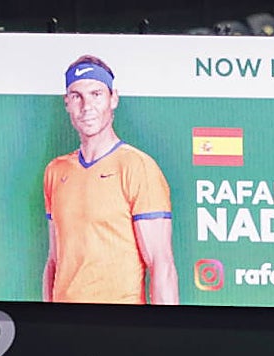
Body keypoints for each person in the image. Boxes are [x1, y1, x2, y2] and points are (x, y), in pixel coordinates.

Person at [42, 55, 178, 306]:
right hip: (65, 326)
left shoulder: (138, 166)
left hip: (120, 324)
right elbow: (54, 260)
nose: (86, 106)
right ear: (67, 103)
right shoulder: (55, 171)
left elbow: (161, 264)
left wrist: (167, 335)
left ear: (113, 98)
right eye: (76, 96)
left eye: (96, 94)